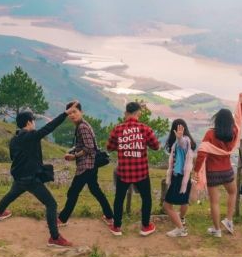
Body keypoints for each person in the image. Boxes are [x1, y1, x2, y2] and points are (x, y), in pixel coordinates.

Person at [0, 103, 75, 249]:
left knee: (11, 194)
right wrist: (65, 113)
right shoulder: (31, 136)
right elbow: (50, 127)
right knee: (51, 204)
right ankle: (54, 238)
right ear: (29, 122)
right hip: (31, 179)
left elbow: (13, 157)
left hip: (19, 177)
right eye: (33, 121)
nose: (35, 124)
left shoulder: (14, 139)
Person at [193, 94, 242, 237]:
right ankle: (229, 220)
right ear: (229, 121)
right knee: (233, 192)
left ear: (216, 120)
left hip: (212, 172)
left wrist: (196, 170)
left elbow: (201, 154)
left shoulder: (210, 134)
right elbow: (240, 120)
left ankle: (217, 230)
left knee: (215, 202)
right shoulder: (234, 133)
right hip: (227, 170)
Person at [106, 101, 160, 236]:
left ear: (126, 113)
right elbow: (156, 146)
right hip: (141, 172)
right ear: (138, 113)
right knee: (146, 198)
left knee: (119, 198)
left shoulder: (117, 129)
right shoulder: (145, 129)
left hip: (123, 172)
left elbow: (109, 147)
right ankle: (145, 226)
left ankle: (117, 227)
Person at [57, 101, 114, 227]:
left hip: (86, 166)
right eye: (70, 113)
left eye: (75, 112)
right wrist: (73, 150)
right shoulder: (81, 125)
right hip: (90, 165)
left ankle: (62, 219)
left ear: (81, 112)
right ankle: (110, 216)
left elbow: (90, 148)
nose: (72, 115)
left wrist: (74, 156)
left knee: (73, 192)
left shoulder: (82, 127)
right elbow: (83, 145)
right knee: (95, 190)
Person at [163, 119, 196, 237]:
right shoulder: (187, 141)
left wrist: (179, 138)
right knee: (183, 200)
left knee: (167, 205)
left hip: (179, 178)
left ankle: (180, 229)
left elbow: (182, 143)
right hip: (184, 177)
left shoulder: (184, 141)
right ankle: (181, 220)